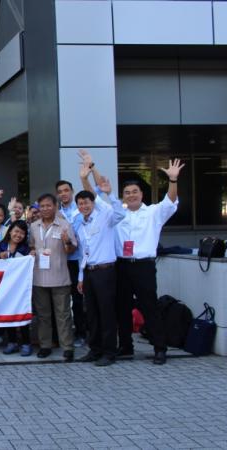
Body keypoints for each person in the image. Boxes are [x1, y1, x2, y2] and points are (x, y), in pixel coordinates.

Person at [115, 159, 184, 365]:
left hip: (143, 265)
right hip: (122, 265)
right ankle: (126, 346)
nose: (131, 195)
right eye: (127, 192)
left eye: (134, 191)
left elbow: (170, 202)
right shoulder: (118, 215)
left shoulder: (153, 212)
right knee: (122, 308)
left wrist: (172, 180)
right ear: (123, 196)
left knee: (149, 307)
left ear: (141, 194)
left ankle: (159, 348)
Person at [72, 151, 126, 366]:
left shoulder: (104, 216)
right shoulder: (82, 224)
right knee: (91, 313)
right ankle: (94, 350)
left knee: (106, 313)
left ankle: (109, 352)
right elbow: (84, 254)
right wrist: (80, 276)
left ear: (93, 203)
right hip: (90, 272)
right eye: (81, 204)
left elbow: (120, 214)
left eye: (87, 202)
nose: (84, 205)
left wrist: (90, 174)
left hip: (106, 271)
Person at [29, 193, 78, 362]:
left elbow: (71, 250)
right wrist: (32, 251)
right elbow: (31, 246)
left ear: (55, 207)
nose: (45, 209)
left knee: (63, 314)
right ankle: (45, 346)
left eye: (48, 205)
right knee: (43, 315)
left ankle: (68, 347)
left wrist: (67, 241)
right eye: (42, 206)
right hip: (39, 277)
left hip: (59, 277)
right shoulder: (34, 226)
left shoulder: (64, 225)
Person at [0, 220, 33, 356]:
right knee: (8, 314)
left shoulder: (26, 249)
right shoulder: (1, 245)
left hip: (21, 289)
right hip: (5, 288)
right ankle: (12, 343)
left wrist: (31, 256)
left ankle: (26, 343)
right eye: (16, 231)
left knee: (22, 314)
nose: (18, 235)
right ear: (10, 231)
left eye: (22, 233)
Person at [56, 179, 86, 347]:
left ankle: (81, 333)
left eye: (66, 190)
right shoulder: (57, 214)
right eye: (60, 191)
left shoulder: (80, 211)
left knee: (78, 299)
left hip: (78, 261)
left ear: (72, 191)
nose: (63, 194)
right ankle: (65, 334)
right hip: (61, 261)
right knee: (62, 300)